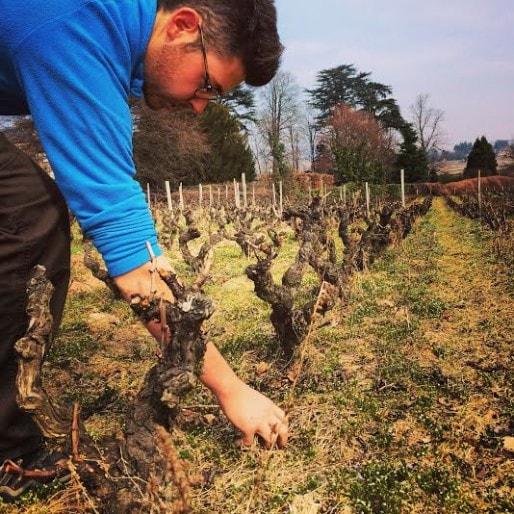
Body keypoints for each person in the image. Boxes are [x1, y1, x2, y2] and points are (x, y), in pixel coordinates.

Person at [0, 0, 288, 501]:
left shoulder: (106, 31)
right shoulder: (78, 27)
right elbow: (132, 260)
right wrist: (230, 388)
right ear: (182, 26)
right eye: (206, 87)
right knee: (27, 215)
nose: (200, 107)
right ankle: (6, 448)